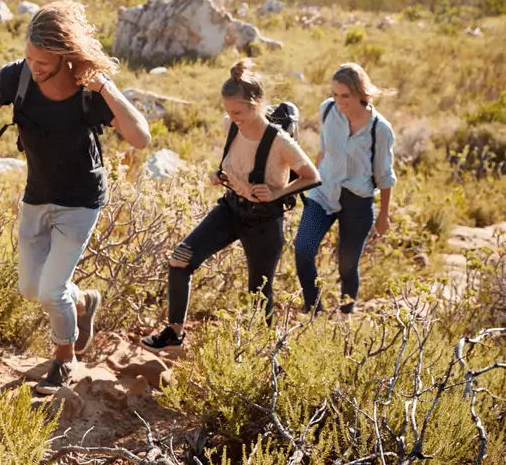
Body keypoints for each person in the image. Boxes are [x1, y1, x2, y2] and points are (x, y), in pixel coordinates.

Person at [0, 0, 151, 395]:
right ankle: (81, 302)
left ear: (66, 56)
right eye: (30, 56)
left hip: (80, 201)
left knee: (50, 290)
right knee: (31, 288)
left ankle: (64, 359)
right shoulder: (17, 78)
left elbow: (140, 137)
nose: (34, 66)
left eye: (43, 60)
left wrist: (106, 86)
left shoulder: (88, 90)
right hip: (37, 195)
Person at [139, 60, 320, 354]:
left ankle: (265, 356)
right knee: (180, 259)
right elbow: (237, 160)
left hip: (264, 221)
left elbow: (312, 176)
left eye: (236, 111)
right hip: (230, 209)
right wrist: (220, 175)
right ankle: (174, 332)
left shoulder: (280, 141)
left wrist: (277, 192)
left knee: (259, 293)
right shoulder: (231, 126)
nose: (231, 117)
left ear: (257, 103)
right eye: (227, 111)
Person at [293, 63, 397, 315]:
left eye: (345, 96)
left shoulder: (379, 129)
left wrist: (383, 215)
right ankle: (313, 310)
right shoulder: (328, 110)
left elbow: (384, 176)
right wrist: (309, 183)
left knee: (347, 265)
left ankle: (345, 315)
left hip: (357, 201)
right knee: (303, 249)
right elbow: (322, 149)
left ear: (362, 93)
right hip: (323, 193)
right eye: (335, 94)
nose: (339, 101)